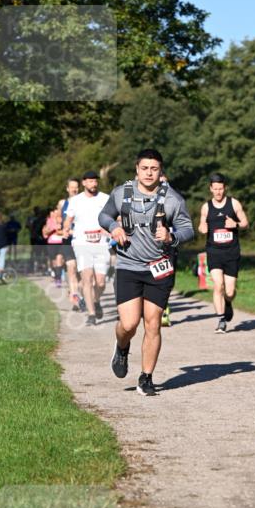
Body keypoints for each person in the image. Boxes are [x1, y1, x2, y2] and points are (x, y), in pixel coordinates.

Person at [99, 148, 194, 396]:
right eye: (145, 168)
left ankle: (146, 377)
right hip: (129, 266)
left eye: (154, 168)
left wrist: (171, 236)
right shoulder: (122, 193)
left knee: (153, 323)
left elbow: (188, 229)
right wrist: (113, 227)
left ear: (160, 171)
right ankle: (121, 347)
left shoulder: (173, 199)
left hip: (159, 268)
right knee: (129, 324)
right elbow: (104, 214)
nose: (149, 173)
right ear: (137, 169)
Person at [198, 173, 249, 333]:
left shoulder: (233, 204)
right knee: (218, 285)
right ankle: (221, 320)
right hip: (214, 252)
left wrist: (236, 224)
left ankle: (228, 302)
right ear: (211, 189)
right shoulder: (206, 207)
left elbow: (246, 223)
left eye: (221, 189)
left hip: (231, 252)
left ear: (224, 188)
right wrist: (202, 228)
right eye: (215, 189)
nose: (218, 192)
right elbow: (201, 225)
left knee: (229, 291)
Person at [64, 171, 110, 326]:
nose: (93, 184)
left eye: (95, 181)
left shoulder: (105, 198)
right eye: (90, 181)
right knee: (86, 278)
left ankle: (96, 301)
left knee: (101, 282)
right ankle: (91, 314)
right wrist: (65, 230)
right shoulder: (75, 201)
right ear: (84, 183)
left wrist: (110, 228)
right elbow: (68, 219)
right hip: (81, 243)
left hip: (101, 243)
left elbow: (114, 217)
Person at [60, 178, 85, 311]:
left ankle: (81, 295)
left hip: (81, 240)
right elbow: (61, 221)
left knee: (81, 272)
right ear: (67, 189)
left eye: (76, 187)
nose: (74, 189)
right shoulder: (63, 203)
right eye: (72, 187)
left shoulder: (83, 202)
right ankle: (75, 297)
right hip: (68, 241)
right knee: (71, 268)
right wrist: (64, 230)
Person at [42, 203, 65, 287]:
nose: (56, 214)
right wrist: (53, 229)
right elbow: (45, 232)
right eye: (54, 212)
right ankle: (56, 275)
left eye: (57, 212)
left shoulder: (63, 220)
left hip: (61, 243)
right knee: (54, 262)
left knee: (60, 259)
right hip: (51, 243)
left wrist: (61, 231)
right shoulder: (49, 221)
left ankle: (58, 278)